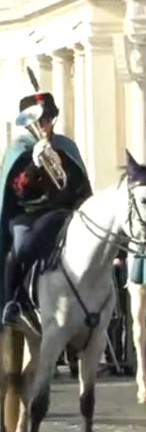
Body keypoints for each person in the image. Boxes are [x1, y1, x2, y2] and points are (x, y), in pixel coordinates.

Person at [0, 88, 91, 330]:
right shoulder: (19, 149)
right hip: (28, 215)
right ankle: (13, 302)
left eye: (49, 119)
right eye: (40, 120)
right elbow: (17, 190)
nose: (44, 124)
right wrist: (33, 166)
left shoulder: (65, 146)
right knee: (21, 247)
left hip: (64, 213)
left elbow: (81, 185)